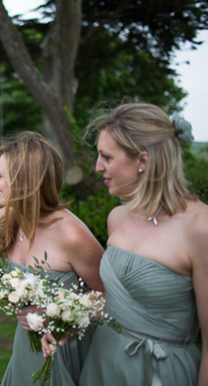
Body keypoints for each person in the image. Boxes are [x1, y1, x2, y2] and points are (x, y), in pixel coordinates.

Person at [0, 131, 104, 386]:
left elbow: (110, 295)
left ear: (25, 181)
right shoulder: (14, 216)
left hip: (63, 348)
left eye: (1, 176)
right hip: (26, 345)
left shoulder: (71, 235)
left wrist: (61, 315)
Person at [65, 103, 207, 385]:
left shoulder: (200, 229)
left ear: (142, 160)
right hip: (103, 364)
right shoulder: (117, 218)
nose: (97, 167)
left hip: (161, 373)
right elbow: (117, 301)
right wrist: (65, 317)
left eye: (106, 156)